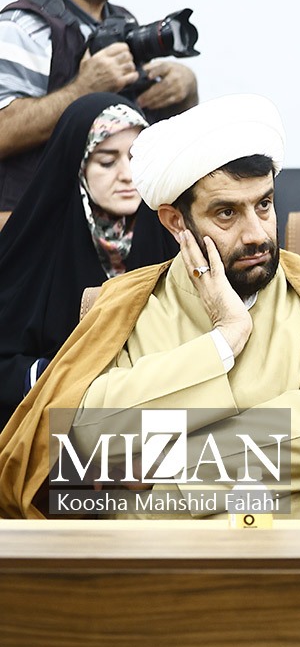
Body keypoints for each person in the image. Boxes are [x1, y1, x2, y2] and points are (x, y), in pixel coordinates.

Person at [0, 94, 300, 519]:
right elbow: (88, 435)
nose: (256, 234)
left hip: (298, 552)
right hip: (157, 557)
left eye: (264, 205)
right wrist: (223, 341)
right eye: (227, 213)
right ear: (176, 221)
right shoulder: (127, 306)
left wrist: (160, 465)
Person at [0, 0, 199, 210]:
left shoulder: (124, 22)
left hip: (123, 225)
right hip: (42, 229)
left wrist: (185, 91)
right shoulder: (22, 27)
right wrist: (83, 90)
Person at [0, 92, 176, 423]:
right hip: (56, 423)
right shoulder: (35, 245)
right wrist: (55, 378)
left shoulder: (173, 233)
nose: (128, 175)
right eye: (107, 162)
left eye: (136, 158)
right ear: (76, 164)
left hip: (158, 415)